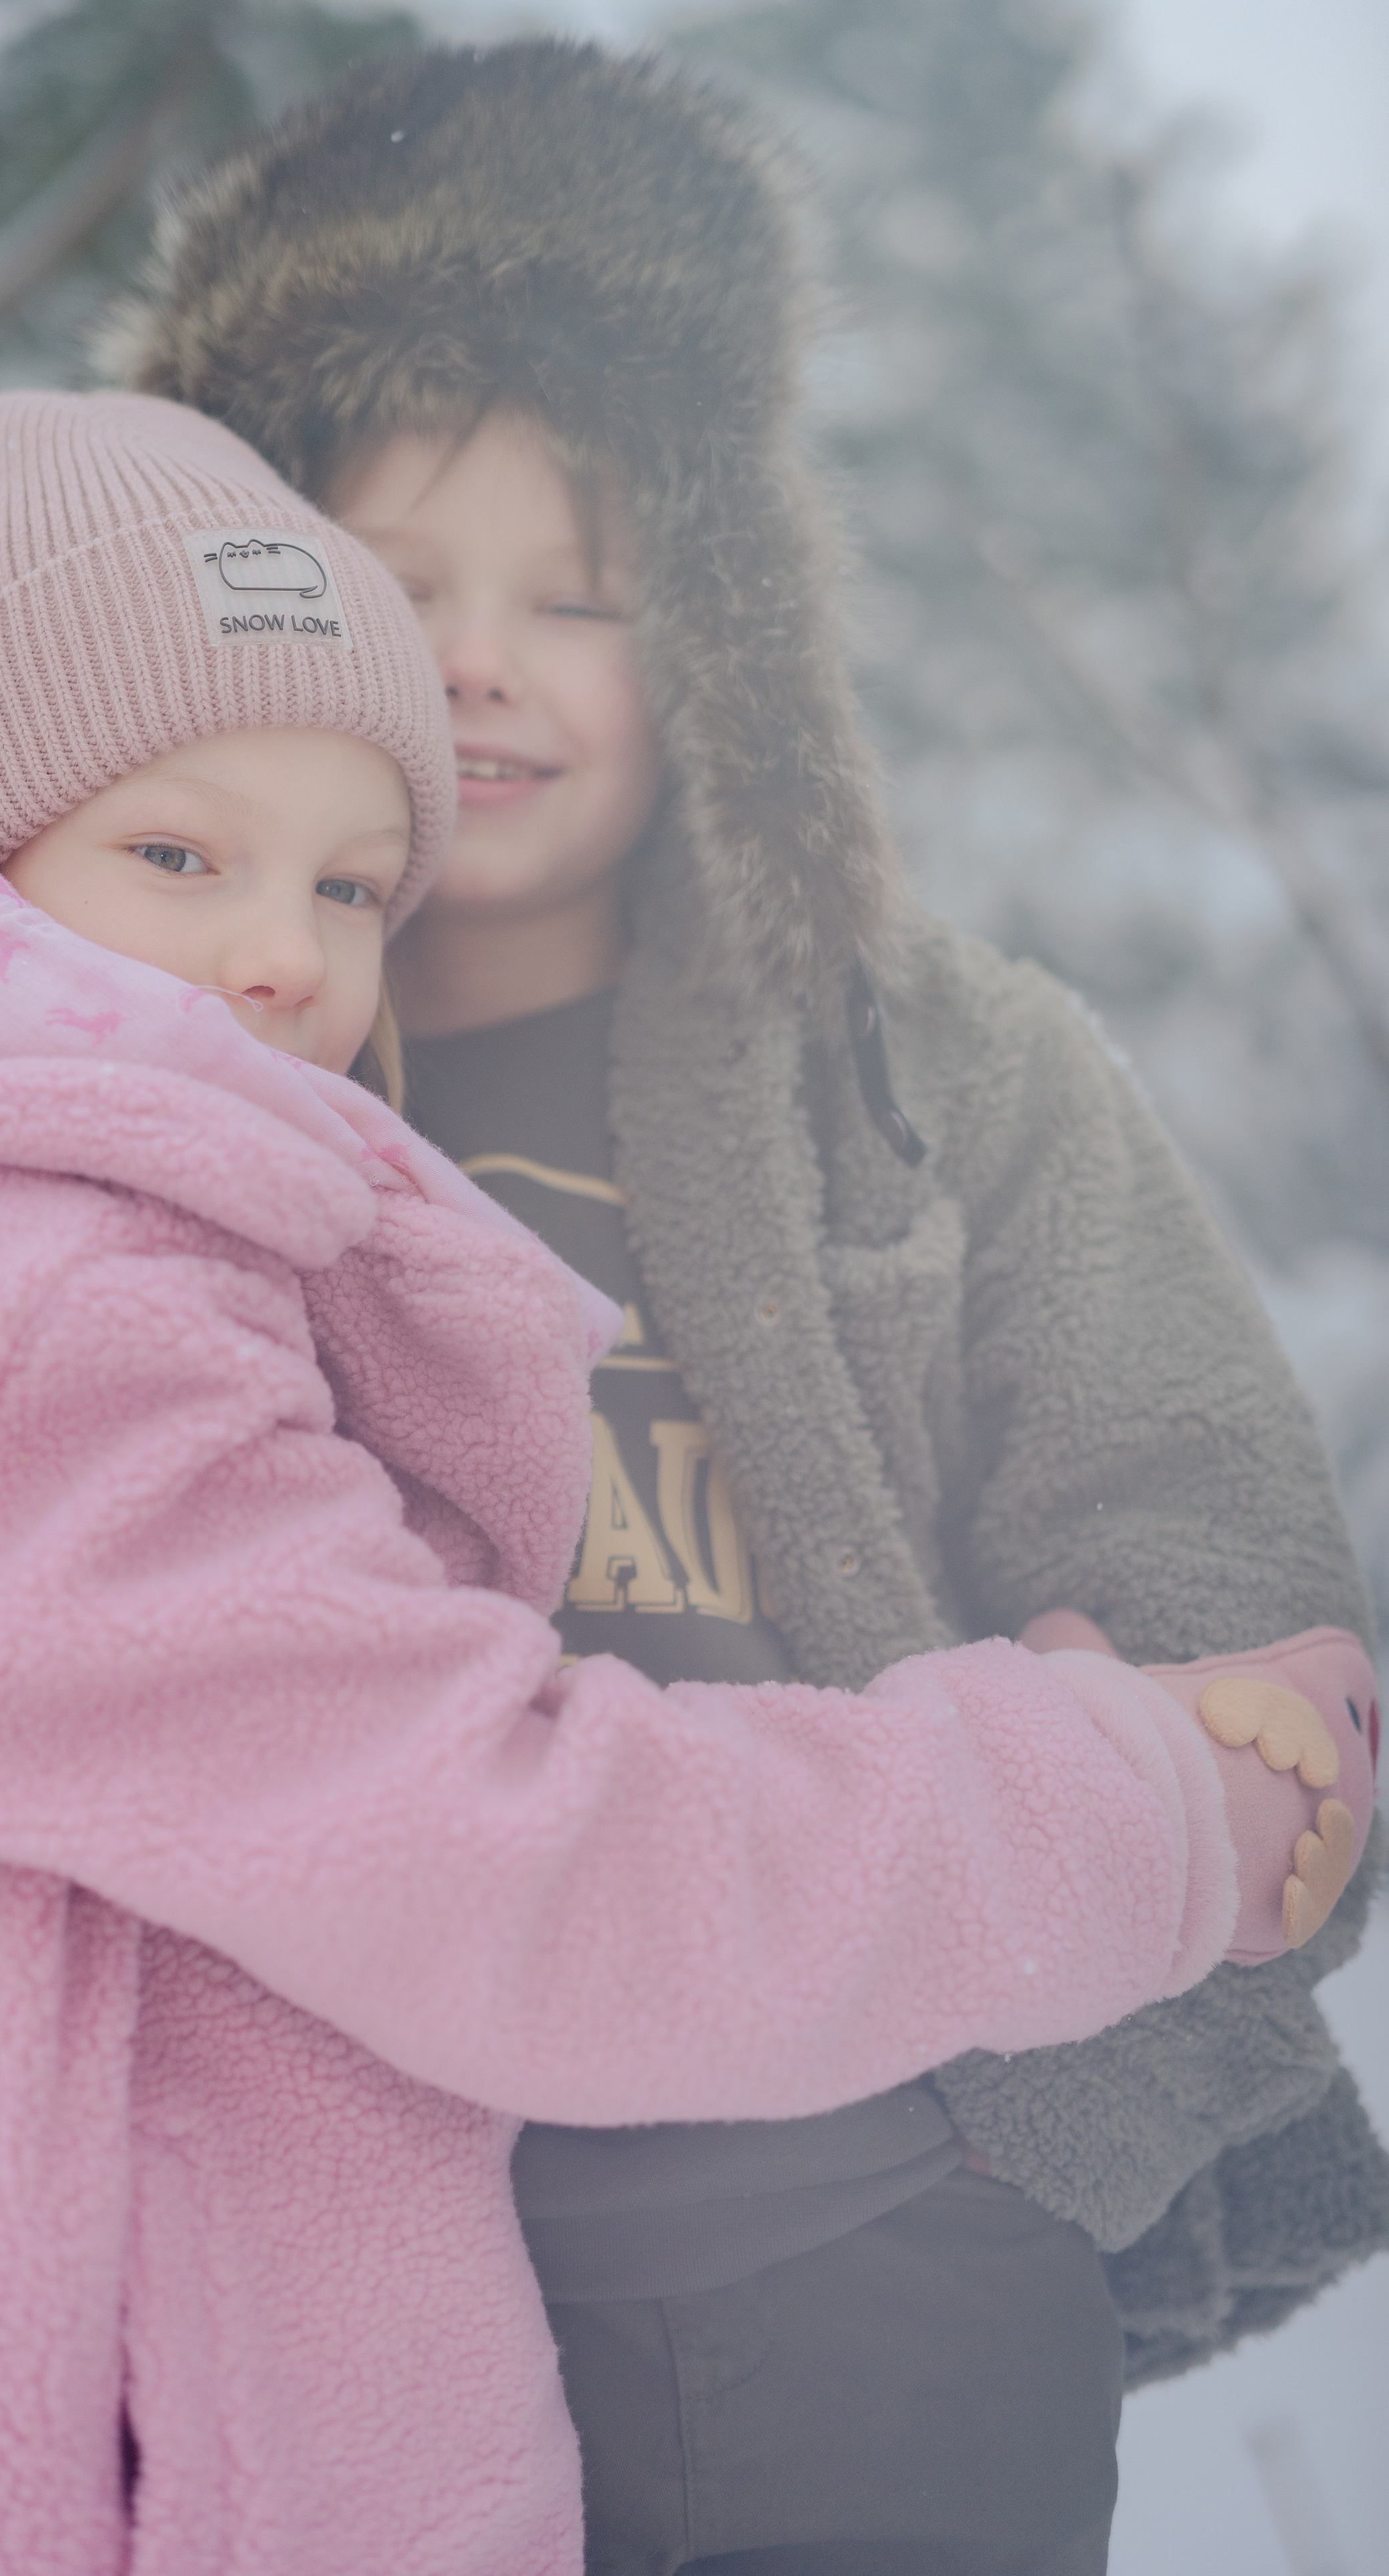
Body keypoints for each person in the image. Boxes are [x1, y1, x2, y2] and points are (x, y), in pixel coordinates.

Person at [113, 40, 1389, 2575]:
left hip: (882, 2252)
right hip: (327, 2299)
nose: (482, 665)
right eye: (398, 588)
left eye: (580, 593)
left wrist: (1033, 2113)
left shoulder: (931, 1062)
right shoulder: (162, 1085)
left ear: (726, 630)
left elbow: (1218, 1571)